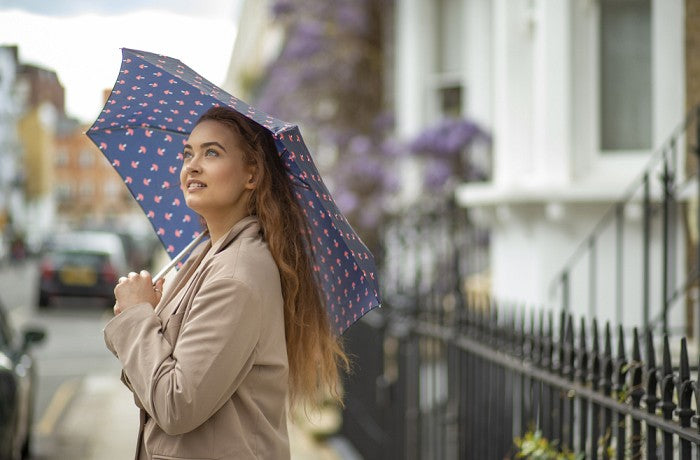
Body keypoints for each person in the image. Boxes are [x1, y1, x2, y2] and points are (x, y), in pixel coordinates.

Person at [103, 106, 349, 459]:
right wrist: (143, 317)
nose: (193, 165)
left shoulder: (236, 275)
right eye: (188, 153)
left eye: (212, 152)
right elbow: (158, 390)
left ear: (252, 175)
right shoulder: (208, 259)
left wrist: (138, 317)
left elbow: (176, 405)